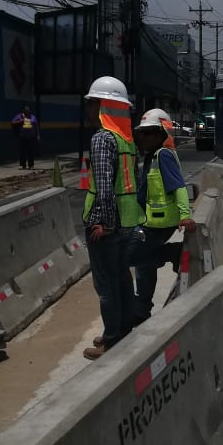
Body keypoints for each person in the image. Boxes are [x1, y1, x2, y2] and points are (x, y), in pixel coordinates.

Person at [81, 76, 143, 361]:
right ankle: (122, 328)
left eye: (92, 103)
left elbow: (105, 186)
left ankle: (112, 339)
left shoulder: (102, 138)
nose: (89, 109)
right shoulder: (126, 140)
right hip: (127, 223)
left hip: (107, 226)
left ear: (103, 106)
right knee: (121, 279)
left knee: (106, 285)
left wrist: (102, 223)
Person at [132, 108, 196, 325]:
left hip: (161, 223)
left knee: (133, 257)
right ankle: (141, 312)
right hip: (150, 221)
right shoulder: (151, 157)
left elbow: (178, 186)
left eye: (150, 132)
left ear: (162, 134)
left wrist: (185, 215)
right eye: (143, 133)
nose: (145, 137)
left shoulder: (163, 155)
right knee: (144, 266)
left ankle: (172, 252)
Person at [12, 103, 40, 169]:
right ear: (23, 110)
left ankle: (31, 165)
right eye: (26, 109)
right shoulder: (19, 116)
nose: (27, 111)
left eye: (28, 109)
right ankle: (22, 165)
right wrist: (20, 121)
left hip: (31, 137)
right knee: (22, 151)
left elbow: (36, 127)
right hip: (22, 137)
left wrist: (38, 135)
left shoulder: (33, 117)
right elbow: (13, 122)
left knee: (30, 151)